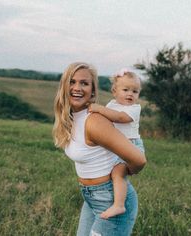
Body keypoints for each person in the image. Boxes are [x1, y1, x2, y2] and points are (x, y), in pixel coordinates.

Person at [53, 62, 146, 236]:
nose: (77, 88)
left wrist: (125, 170)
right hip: (91, 198)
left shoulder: (94, 121)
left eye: (84, 83)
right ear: (64, 86)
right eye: (72, 82)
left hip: (110, 199)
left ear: (93, 90)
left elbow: (139, 159)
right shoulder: (73, 118)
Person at [88, 68, 145, 219]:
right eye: (125, 89)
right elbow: (105, 121)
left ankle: (119, 205)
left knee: (118, 173)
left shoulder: (134, 108)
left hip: (130, 146)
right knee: (108, 173)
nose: (130, 94)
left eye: (135, 91)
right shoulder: (112, 104)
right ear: (114, 91)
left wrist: (99, 109)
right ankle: (106, 197)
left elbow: (119, 118)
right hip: (116, 146)